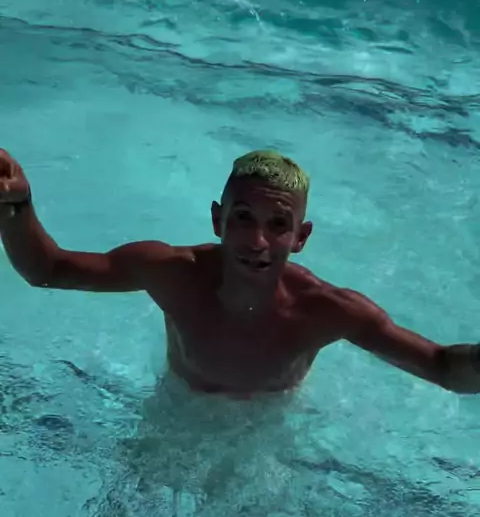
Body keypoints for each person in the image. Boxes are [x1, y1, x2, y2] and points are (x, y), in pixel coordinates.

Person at [0, 146, 479, 397]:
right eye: (244, 218)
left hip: (267, 429)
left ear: (301, 236)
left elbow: (440, 366)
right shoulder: (171, 274)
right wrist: (16, 204)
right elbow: (49, 269)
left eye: (278, 225)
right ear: (218, 219)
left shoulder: (326, 311)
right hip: (179, 409)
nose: (257, 241)